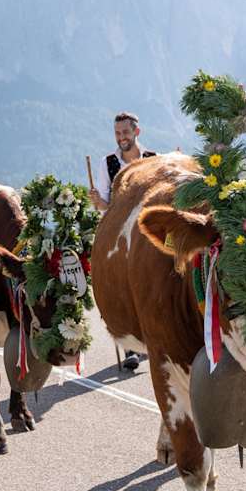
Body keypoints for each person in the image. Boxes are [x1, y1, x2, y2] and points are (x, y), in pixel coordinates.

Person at [88, 111, 156, 370]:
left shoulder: (152, 159)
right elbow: (106, 207)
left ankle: (151, 337)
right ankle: (131, 348)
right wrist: (99, 202)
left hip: (147, 234)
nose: (121, 137)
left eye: (125, 132)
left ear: (137, 132)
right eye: (117, 133)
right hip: (120, 236)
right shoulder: (108, 163)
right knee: (125, 287)